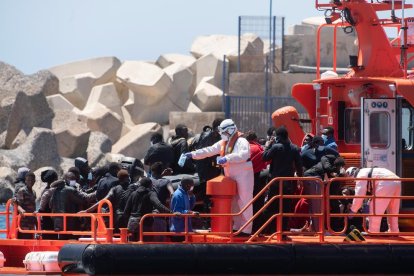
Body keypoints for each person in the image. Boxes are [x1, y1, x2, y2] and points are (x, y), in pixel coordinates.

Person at [186, 119, 254, 235]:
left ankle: (246, 230)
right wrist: (193, 154)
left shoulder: (241, 141)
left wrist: (227, 158)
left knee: (244, 201)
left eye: (223, 132)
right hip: (230, 174)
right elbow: (209, 150)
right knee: (234, 202)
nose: (221, 134)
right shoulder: (223, 142)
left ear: (230, 130)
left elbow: (244, 155)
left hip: (243, 173)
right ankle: (237, 227)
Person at [262, 126, 303, 235]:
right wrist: (300, 178)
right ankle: (283, 231)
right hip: (288, 183)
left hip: (275, 183)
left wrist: (267, 146)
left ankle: (265, 230)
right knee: (285, 208)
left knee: (270, 207)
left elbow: (265, 157)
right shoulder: (294, 148)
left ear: (278, 137)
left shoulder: (276, 147)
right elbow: (299, 165)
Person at [346, 167, 401, 233]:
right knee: (393, 210)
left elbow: (359, 196)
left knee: (374, 209)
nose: (353, 181)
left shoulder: (360, 176)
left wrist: (353, 211)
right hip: (396, 180)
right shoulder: (365, 172)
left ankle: (373, 232)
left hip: (385, 182)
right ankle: (394, 231)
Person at [188, 118, 223, 217]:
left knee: (212, 195)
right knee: (206, 195)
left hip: (213, 168)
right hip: (205, 170)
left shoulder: (217, 136)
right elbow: (204, 153)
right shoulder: (207, 137)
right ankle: (206, 219)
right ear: (217, 128)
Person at [304, 156, 346, 232]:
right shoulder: (326, 163)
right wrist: (339, 172)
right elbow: (328, 169)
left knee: (316, 206)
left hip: (312, 179)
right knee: (316, 206)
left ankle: (315, 228)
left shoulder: (326, 168)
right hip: (312, 179)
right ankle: (318, 230)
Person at [123, 177, 171, 241]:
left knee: (132, 246)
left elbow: (126, 211)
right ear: (150, 185)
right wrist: (170, 212)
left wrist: (128, 223)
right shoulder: (150, 193)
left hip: (132, 223)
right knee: (146, 246)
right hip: (145, 222)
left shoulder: (133, 193)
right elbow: (158, 205)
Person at [244, 131, 268, 232]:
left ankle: (243, 228)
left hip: (242, 180)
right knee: (257, 204)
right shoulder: (259, 149)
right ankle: (256, 229)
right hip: (256, 179)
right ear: (255, 139)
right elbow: (265, 164)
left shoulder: (242, 148)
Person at [169, 177, 197, 242]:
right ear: (187, 185)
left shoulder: (186, 193)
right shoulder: (177, 195)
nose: (193, 187)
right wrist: (191, 213)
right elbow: (177, 212)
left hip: (185, 228)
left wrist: (192, 196)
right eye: (192, 185)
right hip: (178, 229)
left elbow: (190, 207)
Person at [14, 172, 37, 239]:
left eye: (32, 180)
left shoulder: (34, 192)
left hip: (31, 222)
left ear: (34, 181)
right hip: (24, 222)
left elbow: (34, 206)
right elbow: (18, 205)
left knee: (31, 239)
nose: (30, 182)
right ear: (25, 181)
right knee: (24, 238)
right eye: (28, 180)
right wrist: (21, 210)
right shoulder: (22, 191)